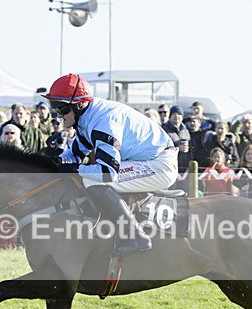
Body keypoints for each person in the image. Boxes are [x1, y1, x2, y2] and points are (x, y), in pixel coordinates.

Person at [43, 73, 177, 255]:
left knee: (93, 180)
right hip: (146, 160)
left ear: (79, 104)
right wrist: (57, 162)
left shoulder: (103, 122)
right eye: (55, 108)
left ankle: (135, 236)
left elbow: (107, 173)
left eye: (62, 108)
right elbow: (74, 154)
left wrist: (76, 169)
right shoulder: (87, 117)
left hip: (159, 165)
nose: (59, 115)